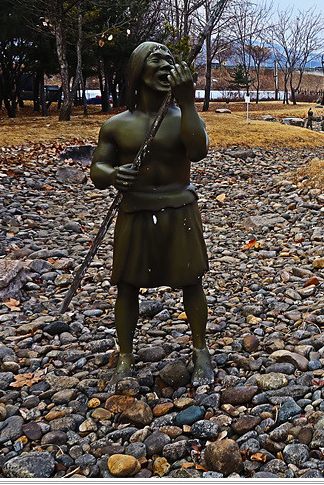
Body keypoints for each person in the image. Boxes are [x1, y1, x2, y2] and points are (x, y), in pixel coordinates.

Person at [90, 42, 214, 387]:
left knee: (192, 280)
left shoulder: (183, 117)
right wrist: (113, 174)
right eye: (155, 59)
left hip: (179, 208)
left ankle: (200, 348)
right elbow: (97, 169)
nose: (165, 66)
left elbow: (198, 151)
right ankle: (126, 354)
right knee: (127, 285)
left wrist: (187, 102)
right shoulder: (117, 125)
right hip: (136, 210)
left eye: (169, 60)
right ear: (137, 70)